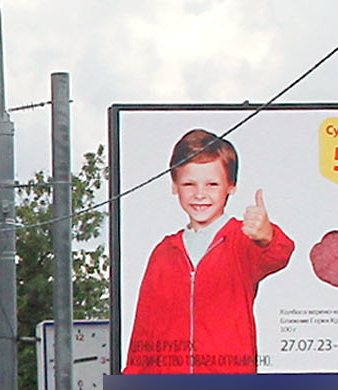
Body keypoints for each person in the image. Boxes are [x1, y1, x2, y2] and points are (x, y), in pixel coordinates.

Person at [123, 130, 295, 374]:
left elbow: (279, 254)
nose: (200, 194)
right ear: (175, 187)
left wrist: (267, 235)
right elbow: (144, 329)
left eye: (212, 184)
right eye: (189, 184)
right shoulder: (164, 252)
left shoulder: (242, 239)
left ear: (231, 186)